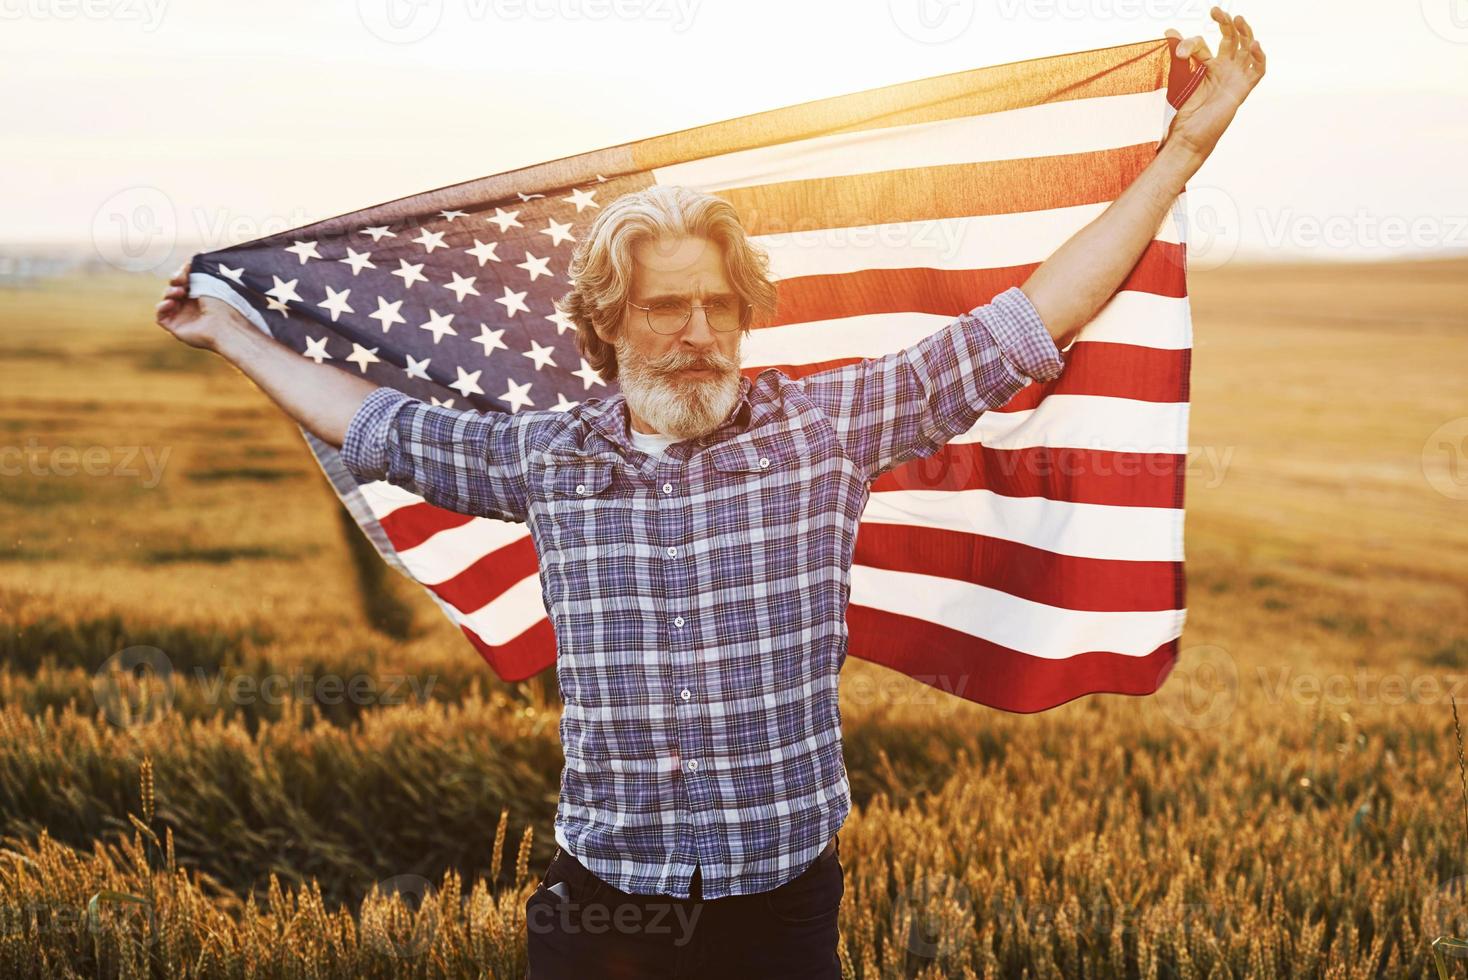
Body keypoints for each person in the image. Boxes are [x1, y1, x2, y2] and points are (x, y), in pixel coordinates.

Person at [154, 10, 1263, 977]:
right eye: (662, 308)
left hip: (780, 909)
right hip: (603, 906)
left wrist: (1181, 155)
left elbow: (1028, 322)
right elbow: (375, 426)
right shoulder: (550, 456)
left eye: (716, 306)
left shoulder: (829, 428)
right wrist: (228, 334)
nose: (695, 334)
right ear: (607, 326)